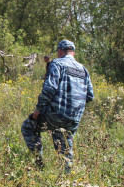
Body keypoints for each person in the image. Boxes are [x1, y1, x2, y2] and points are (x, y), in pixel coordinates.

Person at [21, 40, 94, 172]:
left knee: (28, 126)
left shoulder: (57, 63)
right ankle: (67, 178)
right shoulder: (83, 70)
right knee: (65, 147)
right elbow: (90, 96)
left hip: (56, 115)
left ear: (60, 52)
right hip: (74, 118)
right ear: (73, 53)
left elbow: (49, 88)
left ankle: (39, 164)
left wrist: (38, 109)